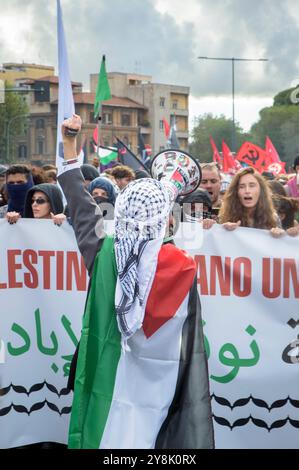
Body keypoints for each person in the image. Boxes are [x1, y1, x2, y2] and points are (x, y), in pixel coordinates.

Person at [58, 114, 214, 449]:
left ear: (122, 208)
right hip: (159, 397)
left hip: (107, 385)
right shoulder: (183, 265)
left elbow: (80, 204)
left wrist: (70, 143)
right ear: (165, 218)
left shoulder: (103, 252)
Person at [202, 167, 285, 237]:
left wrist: (281, 236)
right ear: (236, 192)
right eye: (242, 187)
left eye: (252, 186)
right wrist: (217, 228)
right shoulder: (224, 217)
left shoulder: (273, 218)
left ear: (261, 190)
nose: (247, 191)